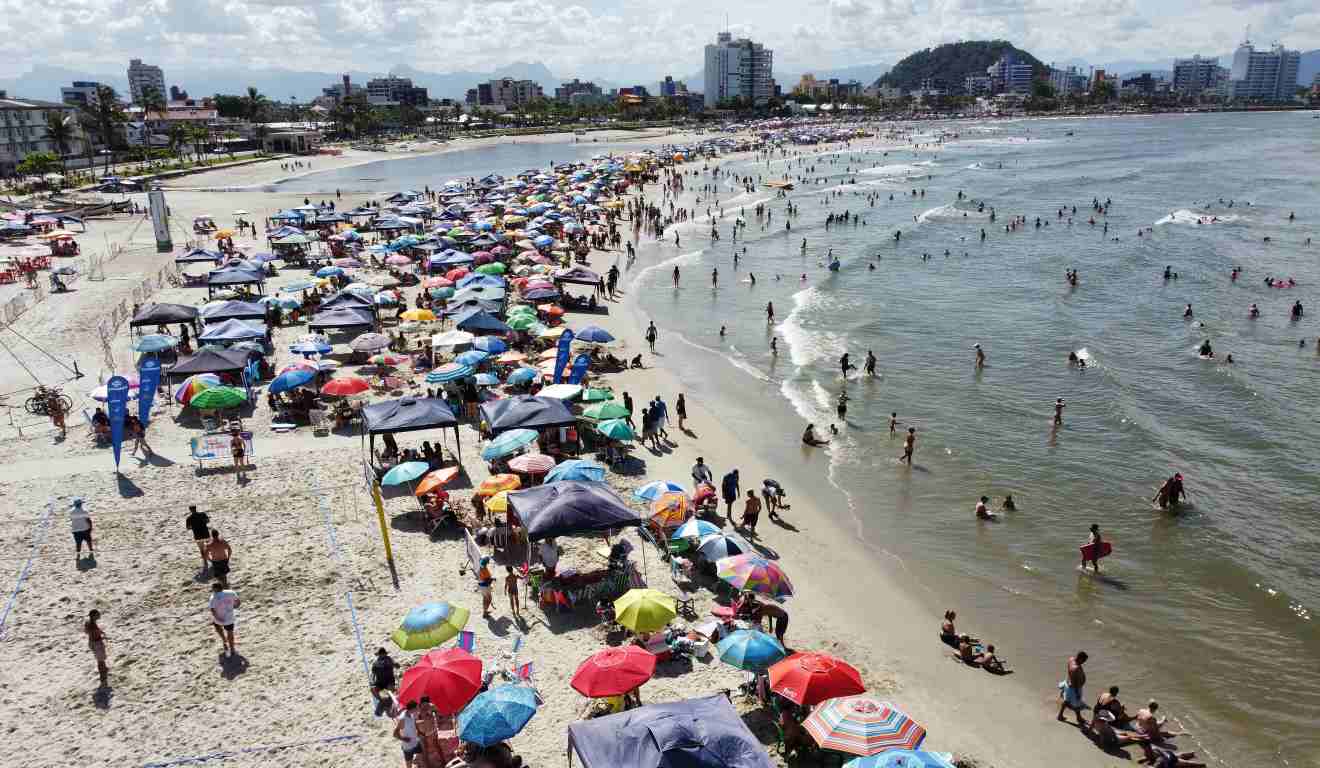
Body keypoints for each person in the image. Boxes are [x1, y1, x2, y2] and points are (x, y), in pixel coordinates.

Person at [1057, 650, 1089, 727]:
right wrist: (1077, 692)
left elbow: (1071, 675)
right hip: (1073, 688)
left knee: (1066, 701)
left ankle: (1060, 715)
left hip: (1068, 684)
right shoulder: (1076, 668)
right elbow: (1075, 682)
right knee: (1077, 704)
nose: (1084, 662)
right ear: (1080, 658)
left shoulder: (1071, 659)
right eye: (1084, 661)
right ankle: (1078, 718)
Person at [208, 582, 240, 658]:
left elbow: (212, 610)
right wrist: (235, 606)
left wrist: (217, 618)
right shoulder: (231, 592)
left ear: (215, 589)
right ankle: (232, 649)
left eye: (212, 588)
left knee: (217, 627)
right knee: (230, 633)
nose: (212, 590)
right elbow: (238, 601)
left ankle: (224, 639)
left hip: (219, 618)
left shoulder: (213, 597)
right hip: (229, 617)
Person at [394, 700, 423, 768]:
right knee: (409, 765)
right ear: (412, 709)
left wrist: (418, 731)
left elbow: (414, 722)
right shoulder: (402, 719)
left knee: (421, 760)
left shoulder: (412, 714)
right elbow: (395, 734)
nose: (418, 709)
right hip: (407, 747)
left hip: (416, 742)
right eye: (417, 708)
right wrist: (403, 739)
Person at [84, 609, 109, 687]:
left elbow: (87, 632)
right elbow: (95, 635)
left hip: (92, 643)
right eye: (98, 614)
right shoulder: (92, 625)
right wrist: (102, 637)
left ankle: (104, 670)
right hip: (97, 644)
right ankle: (103, 679)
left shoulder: (88, 623)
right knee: (101, 661)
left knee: (100, 660)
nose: (99, 615)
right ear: (94, 616)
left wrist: (100, 632)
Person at [371, 648, 398, 717]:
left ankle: (381, 708)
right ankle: (383, 703)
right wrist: (372, 683)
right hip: (380, 683)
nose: (382, 656)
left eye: (383, 655)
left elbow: (397, 666)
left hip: (389, 682)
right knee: (374, 689)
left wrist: (393, 664)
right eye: (381, 655)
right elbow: (373, 675)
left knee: (388, 693)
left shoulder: (389, 659)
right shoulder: (376, 663)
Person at [185, 505, 210, 570]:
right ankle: (211, 557)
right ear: (195, 508)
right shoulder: (202, 514)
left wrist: (193, 526)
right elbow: (208, 521)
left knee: (201, 549)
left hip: (197, 535)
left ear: (190, 510)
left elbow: (188, 528)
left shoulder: (189, 518)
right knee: (209, 546)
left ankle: (205, 560)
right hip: (205, 533)